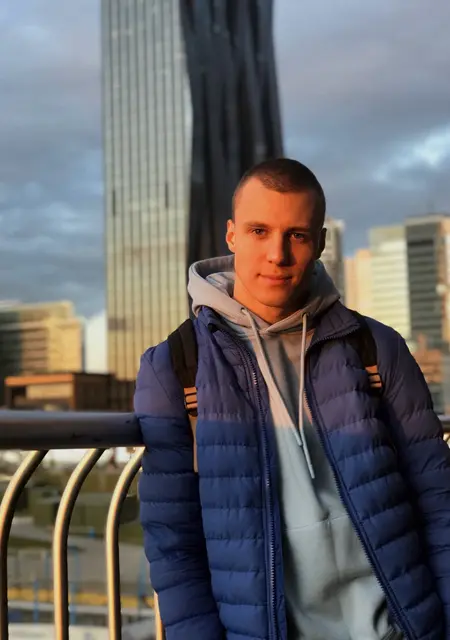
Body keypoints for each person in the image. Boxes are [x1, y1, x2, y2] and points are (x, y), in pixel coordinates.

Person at [134, 158, 450, 640]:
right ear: (232, 235)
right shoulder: (175, 366)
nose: (277, 254)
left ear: (319, 243)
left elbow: (438, 501)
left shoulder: (376, 347)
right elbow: (173, 543)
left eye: (296, 235)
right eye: (259, 231)